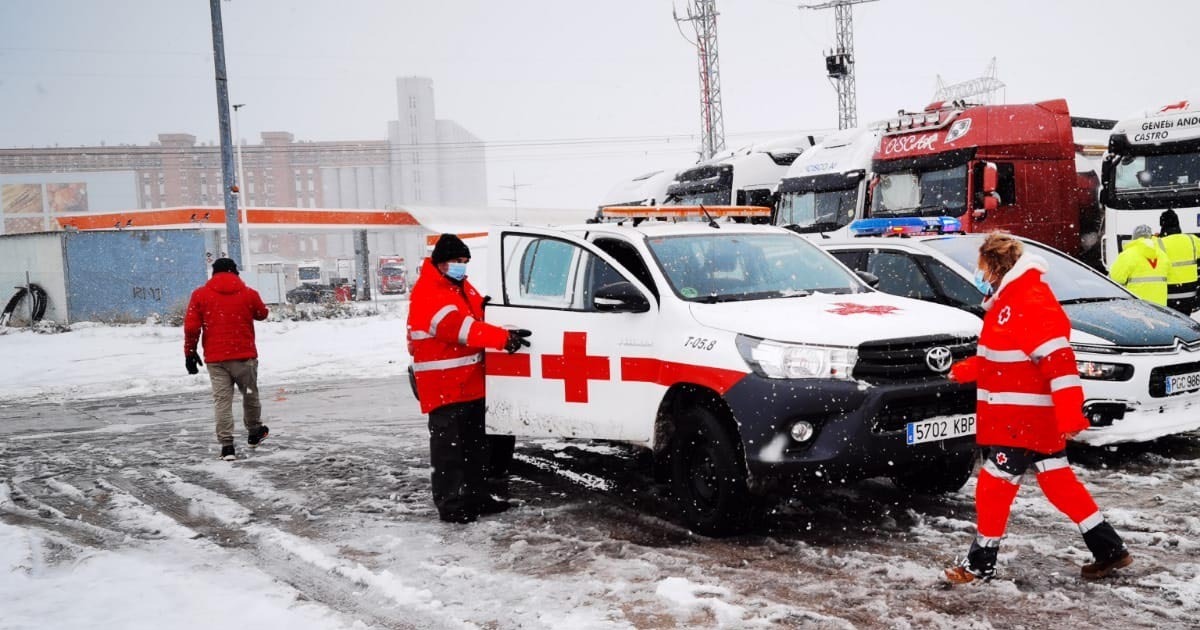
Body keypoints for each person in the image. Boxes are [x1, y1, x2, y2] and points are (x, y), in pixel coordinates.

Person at [945, 232, 1131, 583]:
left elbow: (1058, 360)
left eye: (982, 266)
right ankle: (1109, 549)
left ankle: (979, 564)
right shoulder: (1011, 300)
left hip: (1021, 420)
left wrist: (1071, 412)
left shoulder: (1025, 300)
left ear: (996, 266)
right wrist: (965, 370)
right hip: (1028, 418)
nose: (980, 273)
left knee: (993, 486)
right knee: (1059, 482)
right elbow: (1008, 357)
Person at [407, 234, 533, 524]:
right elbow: (460, 328)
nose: (461, 267)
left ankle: (477, 497)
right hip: (443, 387)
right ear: (440, 263)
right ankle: (452, 506)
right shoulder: (430, 291)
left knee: (476, 449)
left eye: (465, 262)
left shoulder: (460, 287)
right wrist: (504, 338)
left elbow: (477, 315)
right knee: (449, 453)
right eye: (456, 262)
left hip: (469, 384)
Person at [184, 257, 271, 461]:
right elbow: (262, 313)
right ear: (235, 272)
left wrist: (189, 351)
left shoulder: (200, 295)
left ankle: (227, 446)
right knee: (249, 395)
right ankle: (254, 432)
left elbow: (191, 327)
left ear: (213, 273)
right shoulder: (249, 293)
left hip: (216, 360)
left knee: (222, 401)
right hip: (244, 358)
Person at [1108, 224, 1168, 306]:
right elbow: (1169, 276)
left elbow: (1115, 279)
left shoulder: (1128, 254)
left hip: (1137, 306)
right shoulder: (1162, 255)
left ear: (1134, 237)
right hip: (1159, 307)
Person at [1157, 209, 1200, 314]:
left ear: (1162, 225)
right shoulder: (1192, 239)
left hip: (1169, 295)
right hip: (1191, 295)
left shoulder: (1158, 243)